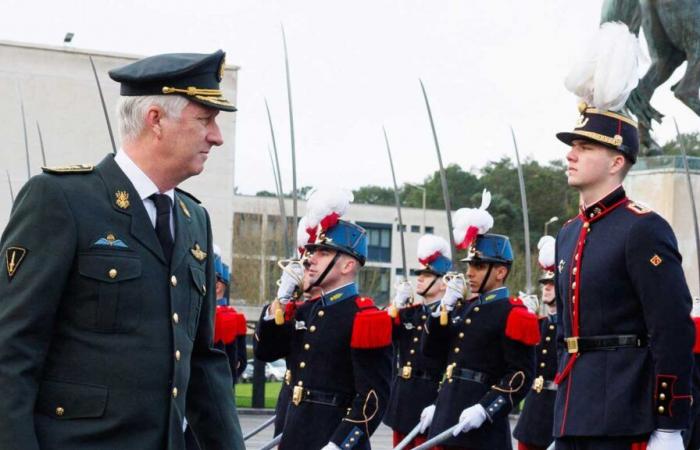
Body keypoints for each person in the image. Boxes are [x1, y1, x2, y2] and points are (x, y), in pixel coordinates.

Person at [0, 50, 244, 450]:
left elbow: (202, 363)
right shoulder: (62, 200)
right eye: (205, 119)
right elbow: (12, 350)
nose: (216, 136)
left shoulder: (193, 218)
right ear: (155, 120)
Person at [551, 23, 695, 450]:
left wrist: (669, 423)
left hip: (623, 414)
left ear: (617, 161)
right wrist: (562, 417)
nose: (570, 154)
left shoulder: (642, 228)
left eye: (585, 147)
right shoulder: (568, 233)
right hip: (573, 411)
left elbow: (671, 328)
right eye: (572, 145)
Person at [254, 188, 392, 450]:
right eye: (312, 252)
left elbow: (373, 397)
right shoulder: (305, 311)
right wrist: (280, 301)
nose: (310, 260)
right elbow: (265, 351)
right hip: (295, 433)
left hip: (333, 438)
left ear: (347, 265)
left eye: (323, 253)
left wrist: (341, 443)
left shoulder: (364, 317)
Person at [420, 190, 540, 449]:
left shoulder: (513, 314)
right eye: (469, 266)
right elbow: (431, 352)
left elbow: (521, 374)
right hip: (447, 415)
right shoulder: (464, 308)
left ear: (500, 272)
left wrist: (486, 408)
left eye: (479, 266)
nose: (469, 272)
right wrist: (443, 310)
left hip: (480, 427)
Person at [383, 234, 452, 449]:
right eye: (420, 274)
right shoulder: (409, 313)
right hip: (403, 395)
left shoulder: (450, 315)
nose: (420, 278)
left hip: (430, 395)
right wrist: (395, 305)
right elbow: (384, 338)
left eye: (428, 274)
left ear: (443, 284)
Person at [513, 236, 558, 450]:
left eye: (552, 283)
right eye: (544, 284)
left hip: (557, 410)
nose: (546, 288)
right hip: (533, 411)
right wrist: (526, 320)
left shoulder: (570, 328)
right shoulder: (538, 324)